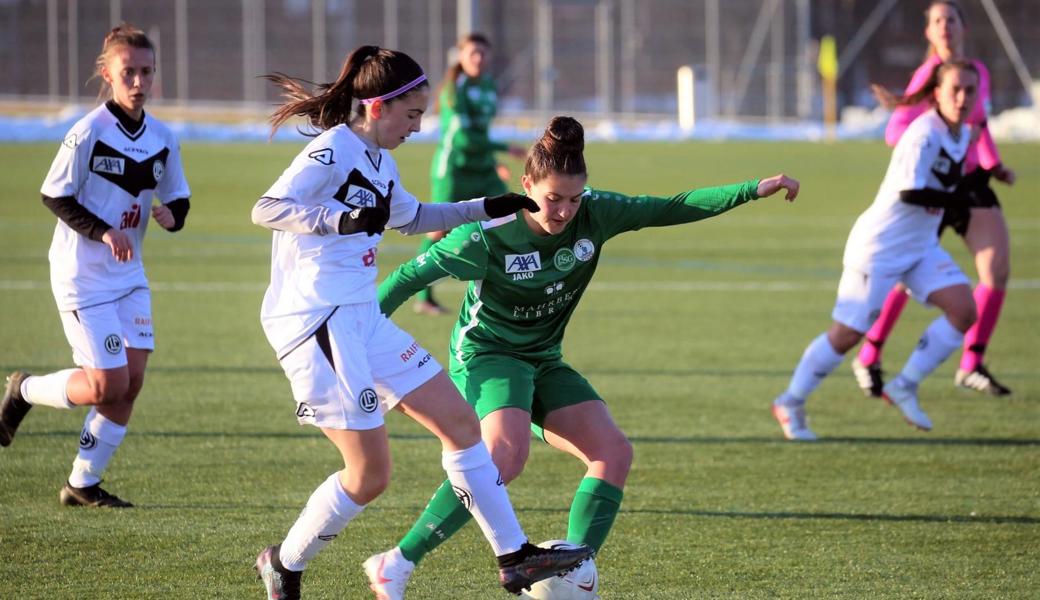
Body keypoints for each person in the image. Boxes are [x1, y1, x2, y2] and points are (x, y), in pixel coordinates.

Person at [363, 115, 800, 599]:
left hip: (543, 358)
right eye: (553, 199)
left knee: (613, 453)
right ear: (526, 184)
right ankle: (396, 564)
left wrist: (752, 189)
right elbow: (404, 281)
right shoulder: (486, 235)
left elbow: (670, 207)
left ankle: (573, 571)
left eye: (574, 199)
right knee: (504, 457)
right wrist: (352, 339)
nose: (565, 211)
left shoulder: (596, 213)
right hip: (487, 354)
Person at [249, 46, 591, 600]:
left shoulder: (381, 161)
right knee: (370, 475)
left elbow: (414, 218)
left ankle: (514, 557)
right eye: (412, 114)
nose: (419, 125)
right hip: (316, 322)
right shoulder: (334, 148)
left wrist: (490, 206)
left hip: (360, 317)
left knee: (460, 423)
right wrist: (344, 219)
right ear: (378, 107)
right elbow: (267, 208)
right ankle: (284, 564)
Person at [0, 24, 191, 507]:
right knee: (108, 384)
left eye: (147, 72)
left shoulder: (164, 138)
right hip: (81, 276)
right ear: (106, 73)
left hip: (129, 277)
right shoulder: (88, 131)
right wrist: (103, 231)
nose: (139, 82)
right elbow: (53, 194)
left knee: (131, 384)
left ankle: (82, 484)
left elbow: (179, 198)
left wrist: (173, 216)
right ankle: (24, 391)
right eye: (128, 72)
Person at [773, 60, 980, 441]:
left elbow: (949, 183)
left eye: (971, 90)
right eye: (956, 89)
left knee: (965, 309)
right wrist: (960, 199)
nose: (964, 97)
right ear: (937, 92)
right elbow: (910, 192)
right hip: (879, 248)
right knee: (847, 335)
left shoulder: (962, 133)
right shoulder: (923, 135)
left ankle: (905, 384)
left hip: (920, 248)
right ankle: (790, 401)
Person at [854, 0, 1016, 397]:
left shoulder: (976, 72)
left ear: (964, 26)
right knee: (908, 277)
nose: (945, 27)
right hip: (932, 186)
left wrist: (993, 165)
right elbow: (896, 131)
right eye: (937, 21)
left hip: (971, 183)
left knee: (996, 270)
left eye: (951, 19)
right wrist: (932, 146)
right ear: (928, 32)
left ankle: (971, 363)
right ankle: (870, 353)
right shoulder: (930, 76)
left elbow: (981, 125)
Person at [413, 32, 526, 316]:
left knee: (506, 218)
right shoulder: (455, 88)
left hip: (482, 167)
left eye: (483, 53)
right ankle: (423, 295)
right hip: (454, 170)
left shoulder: (488, 86)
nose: (478, 58)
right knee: (439, 231)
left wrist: (493, 161)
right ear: (461, 57)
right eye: (472, 53)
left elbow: (481, 132)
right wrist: (503, 148)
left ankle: (503, 291)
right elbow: (463, 138)